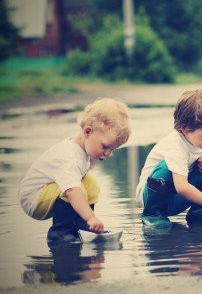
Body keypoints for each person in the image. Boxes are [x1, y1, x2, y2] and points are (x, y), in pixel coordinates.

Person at [18, 98, 131, 244]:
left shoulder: (82, 150)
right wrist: (91, 217)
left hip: (48, 193)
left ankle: (82, 226)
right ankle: (60, 232)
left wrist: (88, 219)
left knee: (89, 182)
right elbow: (72, 192)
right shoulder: (68, 158)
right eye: (105, 146)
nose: (108, 153)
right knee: (73, 189)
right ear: (88, 131)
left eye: (112, 149)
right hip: (33, 200)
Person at [135, 86, 202, 227]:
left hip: (176, 199)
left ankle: (199, 213)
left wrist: (200, 163)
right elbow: (182, 187)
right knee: (166, 167)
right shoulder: (175, 145)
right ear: (184, 128)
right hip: (152, 198)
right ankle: (153, 215)